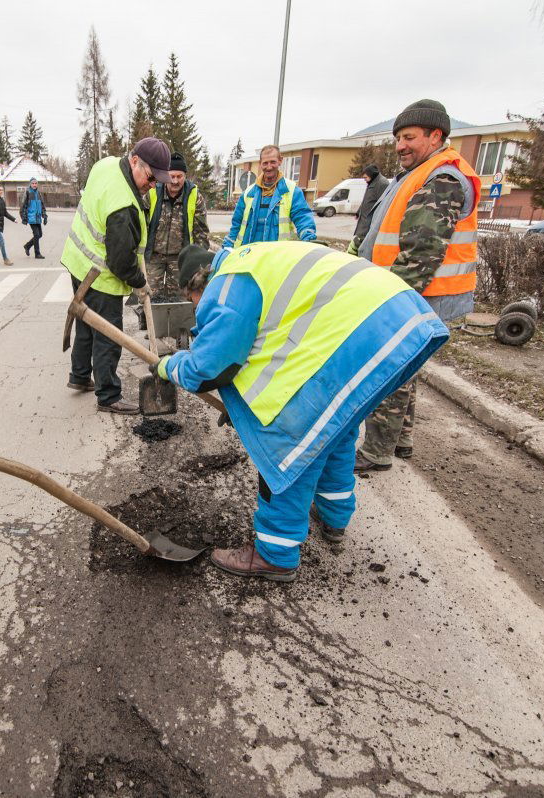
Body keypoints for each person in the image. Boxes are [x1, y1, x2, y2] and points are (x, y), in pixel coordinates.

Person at [152, 244, 448, 581]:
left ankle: (275, 554)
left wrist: (167, 366)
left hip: (366, 329)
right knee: (334, 434)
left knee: (290, 445)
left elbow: (208, 368)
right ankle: (334, 517)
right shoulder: (256, 259)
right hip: (396, 321)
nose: (197, 308)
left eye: (193, 301)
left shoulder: (230, 281)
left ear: (198, 285)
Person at [356, 99, 481, 473]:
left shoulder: (442, 178)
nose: (400, 146)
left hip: (418, 293)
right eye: (398, 139)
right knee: (407, 367)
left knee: (392, 368)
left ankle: (377, 451)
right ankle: (402, 439)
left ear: (435, 136)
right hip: (419, 293)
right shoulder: (422, 172)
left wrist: (394, 303)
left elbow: (422, 253)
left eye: (409, 137)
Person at [61, 137, 171, 414]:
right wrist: (140, 284)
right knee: (109, 335)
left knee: (87, 323)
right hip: (101, 275)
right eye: (150, 177)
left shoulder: (107, 164)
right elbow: (121, 262)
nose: (153, 184)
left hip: (78, 262)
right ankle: (108, 395)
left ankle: (80, 376)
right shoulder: (123, 206)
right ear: (135, 161)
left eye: (158, 179)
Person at [222, 144, 318, 249]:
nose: (269, 167)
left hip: (275, 256)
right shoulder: (248, 193)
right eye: (265, 163)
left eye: (273, 162)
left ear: (280, 161)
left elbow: (302, 217)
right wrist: (228, 245)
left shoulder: (291, 191)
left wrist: (308, 237)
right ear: (260, 164)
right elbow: (237, 223)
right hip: (248, 253)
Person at [144, 151, 211, 298]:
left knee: (180, 299)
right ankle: (147, 322)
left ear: (185, 176)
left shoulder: (195, 196)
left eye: (179, 176)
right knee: (149, 297)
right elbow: (141, 223)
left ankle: (177, 322)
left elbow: (201, 232)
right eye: (171, 176)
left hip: (181, 258)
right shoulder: (153, 192)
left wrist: (199, 262)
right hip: (154, 257)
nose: (175, 181)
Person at [349, 164, 389, 252]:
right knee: (358, 243)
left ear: (372, 175)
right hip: (364, 220)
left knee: (359, 245)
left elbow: (383, 204)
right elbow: (367, 200)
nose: (364, 180)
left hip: (371, 222)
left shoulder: (382, 184)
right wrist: (358, 212)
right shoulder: (372, 182)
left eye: (366, 177)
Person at [20, 176, 49, 258]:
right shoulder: (28, 192)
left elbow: (42, 205)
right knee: (36, 234)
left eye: (36, 183)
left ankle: (27, 246)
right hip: (31, 217)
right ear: (30, 184)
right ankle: (37, 253)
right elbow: (23, 206)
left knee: (40, 235)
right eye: (33, 183)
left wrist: (45, 216)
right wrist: (24, 217)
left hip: (38, 217)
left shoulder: (39, 193)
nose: (34, 185)